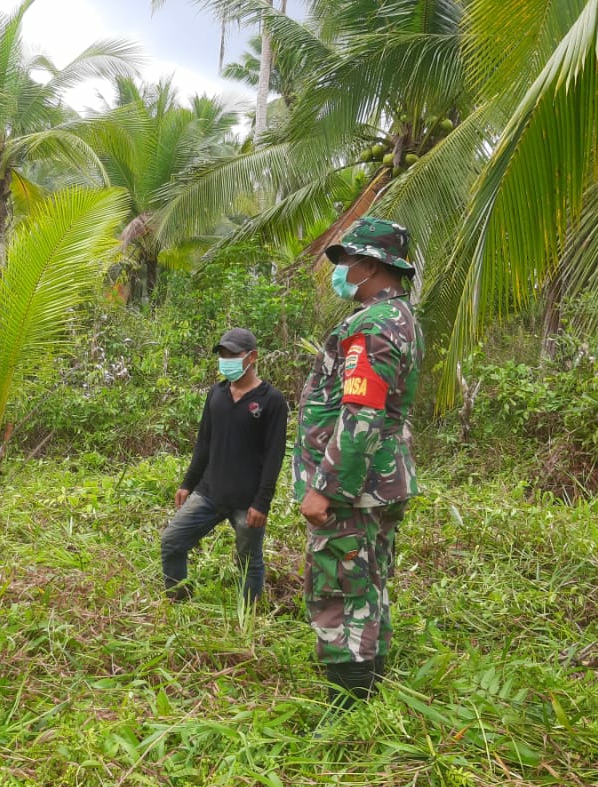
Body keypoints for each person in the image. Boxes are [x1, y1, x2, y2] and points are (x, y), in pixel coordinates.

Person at [293, 217, 424, 711]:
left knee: (340, 589)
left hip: (356, 486)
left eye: (347, 261)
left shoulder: (372, 325)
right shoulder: (401, 318)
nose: (342, 270)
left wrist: (326, 488)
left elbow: (361, 412)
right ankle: (367, 695)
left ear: (370, 265)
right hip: (383, 480)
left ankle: (348, 707)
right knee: (368, 585)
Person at [163, 328, 288, 602]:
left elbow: (274, 456)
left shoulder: (272, 400)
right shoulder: (216, 394)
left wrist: (262, 503)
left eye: (233, 355)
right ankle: (178, 602)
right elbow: (203, 444)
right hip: (210, 492)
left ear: (252, 357)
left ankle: (249, 617)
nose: (226, 360)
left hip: (247, 501)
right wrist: (187, 483)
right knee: (172, 541)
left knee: (248, 562)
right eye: (223, 355)